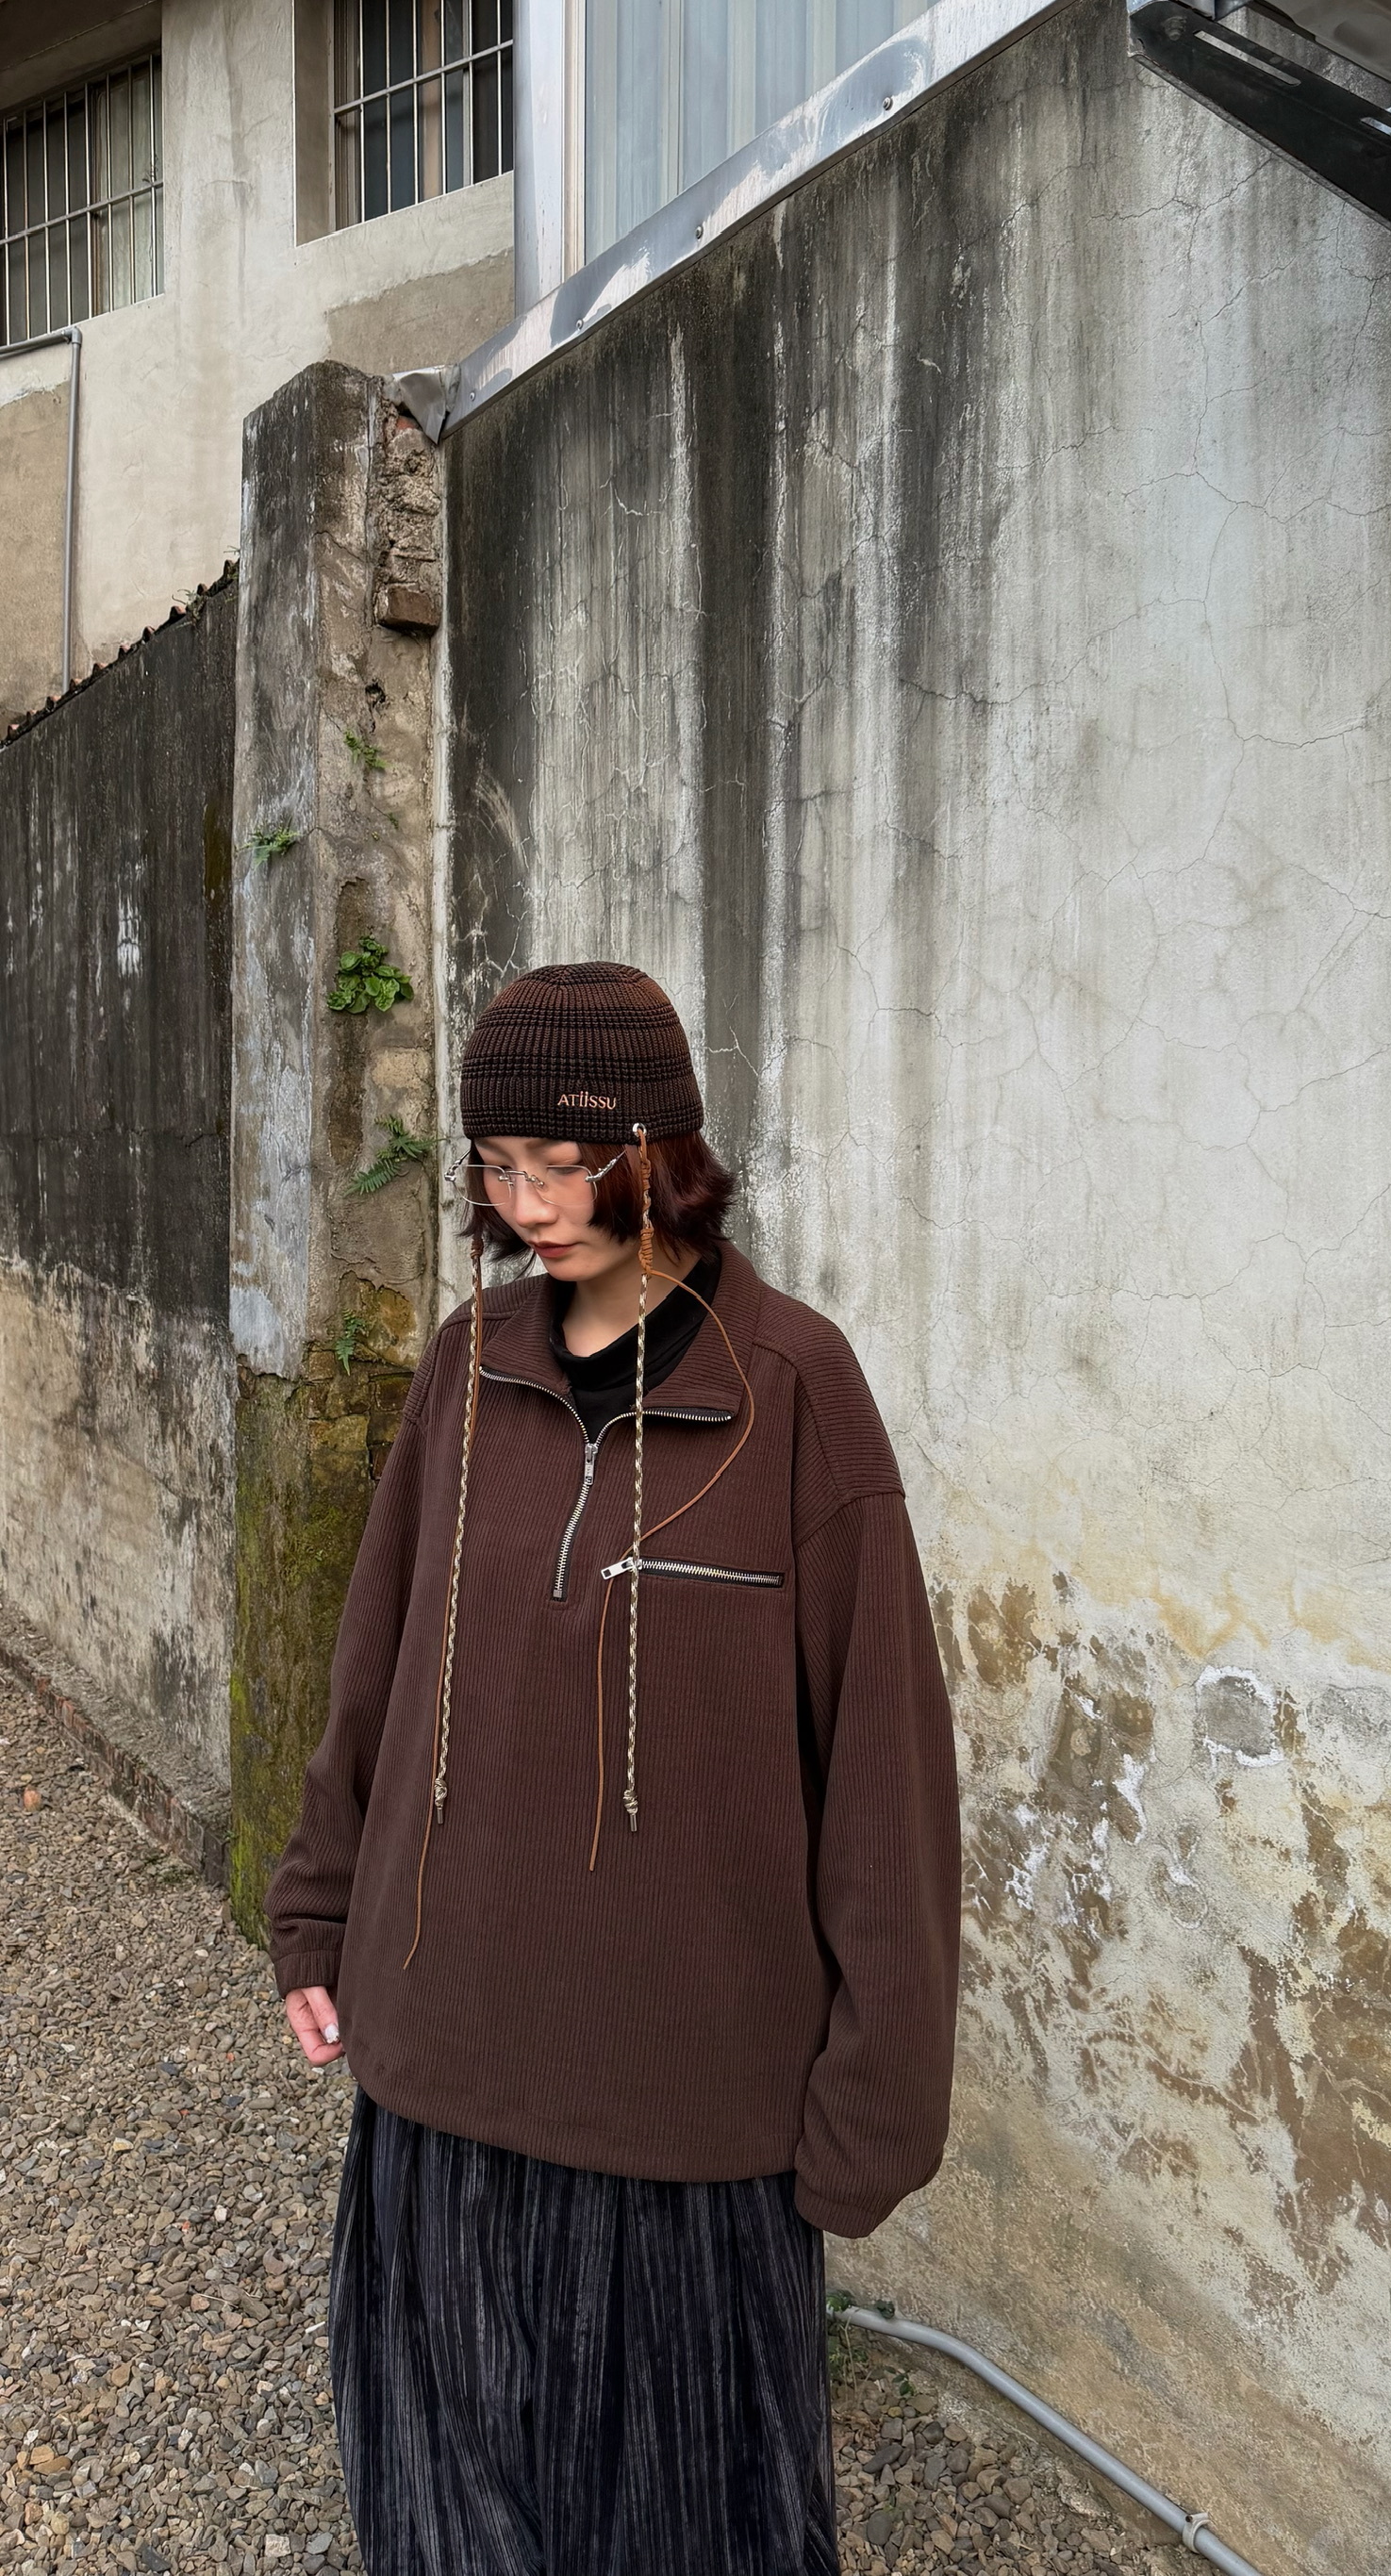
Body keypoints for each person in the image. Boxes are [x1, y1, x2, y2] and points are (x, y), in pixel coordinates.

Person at [266, 960, 962, 2576]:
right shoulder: (467, 1365)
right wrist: (315, 1914)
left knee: (687, 2530)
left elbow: (884, 1773)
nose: (528, 1207)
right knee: (444, 2517)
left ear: (663, 1154)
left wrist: (874, 2102)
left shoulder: (792, 1388)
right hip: (440, 2072)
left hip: (687, 2126)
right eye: (498, 1168)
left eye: (566, 1167)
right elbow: (375, 1666)